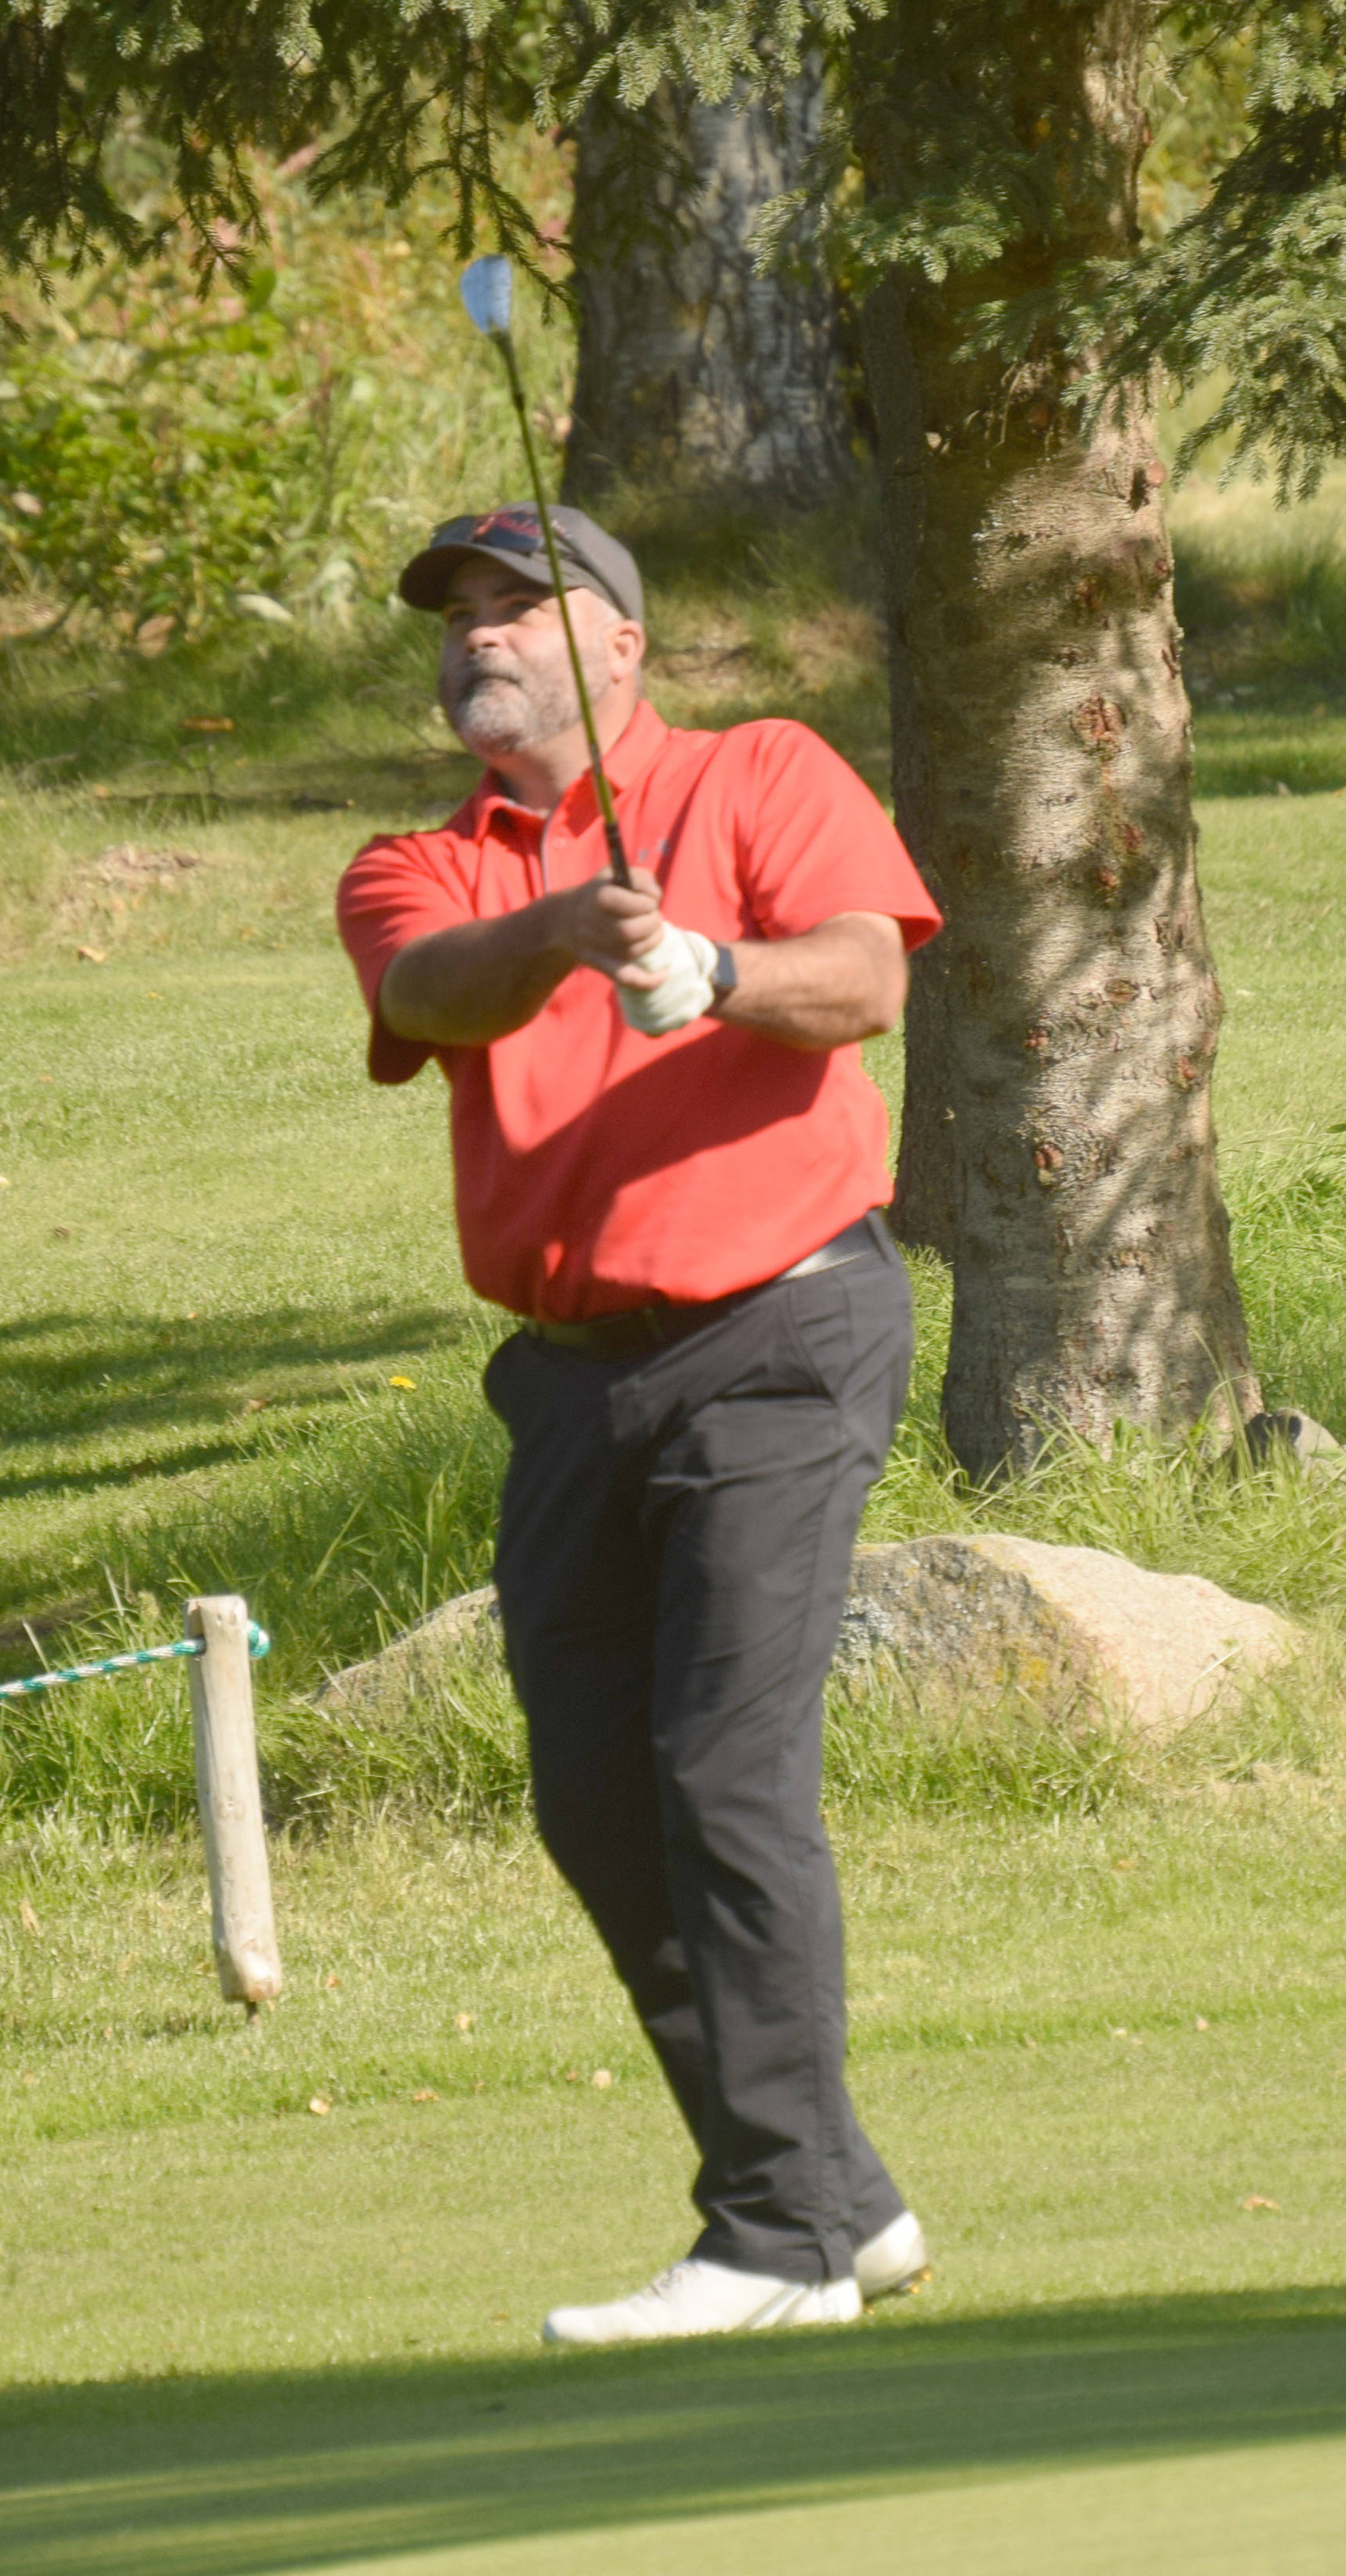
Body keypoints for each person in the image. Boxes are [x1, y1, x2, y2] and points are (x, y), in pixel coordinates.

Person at [337, 500, 943, 2346]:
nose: (476, 641)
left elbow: (866, 974)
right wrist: (565, 928)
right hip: (573, 1375)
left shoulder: (760, 768)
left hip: (780, 1325)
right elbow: (426, 991)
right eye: (453, 618)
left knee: (717, 1765)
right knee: (596, 1790)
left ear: (617, 643)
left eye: (515, 609)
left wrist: (711, 970)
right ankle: (837, 2191)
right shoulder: (415, 863)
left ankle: (772, 2240)